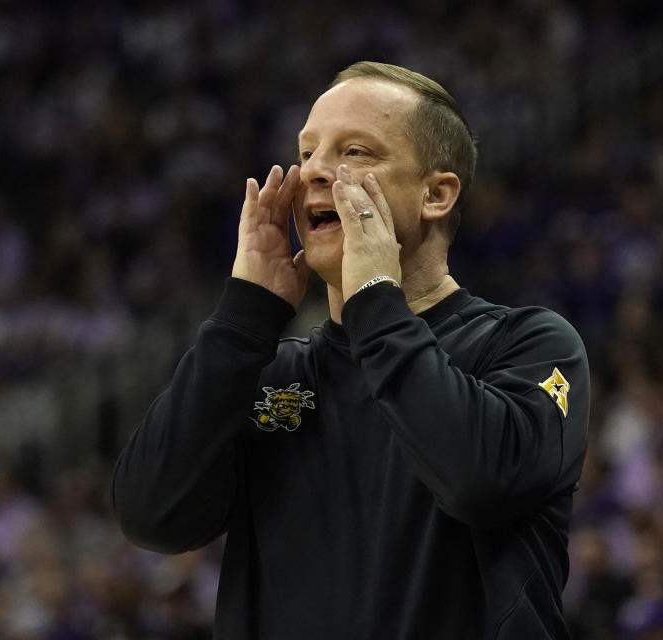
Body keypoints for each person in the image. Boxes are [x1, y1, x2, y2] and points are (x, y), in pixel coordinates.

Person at [112, 61, 589, 639]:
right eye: (307, 151)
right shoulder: (273, 376)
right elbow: (151, 515)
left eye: (355, 152)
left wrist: (374, 299)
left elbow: (479, 481)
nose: (314, 171)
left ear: (436, 195)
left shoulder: (529, 346)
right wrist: (241, 320)